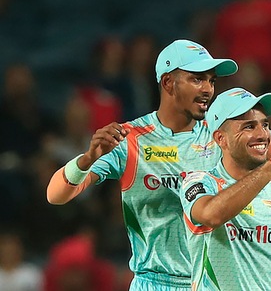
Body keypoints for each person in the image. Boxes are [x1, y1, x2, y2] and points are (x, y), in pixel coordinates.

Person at [46, 39, 240, 290]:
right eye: (197, 79)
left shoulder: (222, 137)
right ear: (168, 82)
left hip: (213, 283)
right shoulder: (129, 139)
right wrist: (88, 158)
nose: (208, 89)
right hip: (154, 283)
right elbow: (55, 195)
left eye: (211, 81)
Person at [171, 87, 271, 290]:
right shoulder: (199, 182)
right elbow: (211, 215)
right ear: (221, 138)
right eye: (248, 127)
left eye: (265, 125)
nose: (263, 134)